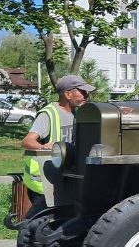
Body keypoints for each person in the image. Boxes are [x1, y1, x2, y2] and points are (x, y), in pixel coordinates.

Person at [20, 74, 94, 214]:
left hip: (62, 179)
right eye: (82, 91)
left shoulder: (78, 114)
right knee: (39, 222)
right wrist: (43, 147)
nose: (86, 95)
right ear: (68, 94)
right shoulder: (49, 114)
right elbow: (26, 141)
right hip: (44, 181)